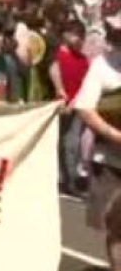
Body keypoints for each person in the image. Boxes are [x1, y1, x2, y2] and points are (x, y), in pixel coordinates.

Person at [74, 13, 121, 271]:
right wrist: (115, 135)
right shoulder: (102, 66)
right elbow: (85, 107)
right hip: (112, 158)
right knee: (117, 225)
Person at [53, 19, 91, 195]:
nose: (80, 40)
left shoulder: (83, 60)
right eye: (77, 35)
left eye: (82, 36)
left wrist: (73, 103)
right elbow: (53, 74)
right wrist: (61, 96)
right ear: (66, 35)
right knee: (55, 142)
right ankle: (58, 178)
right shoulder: (57, 55)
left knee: (71, 144)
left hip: (75, 108)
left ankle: (70, 181)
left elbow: (85, 85)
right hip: (56, 106)